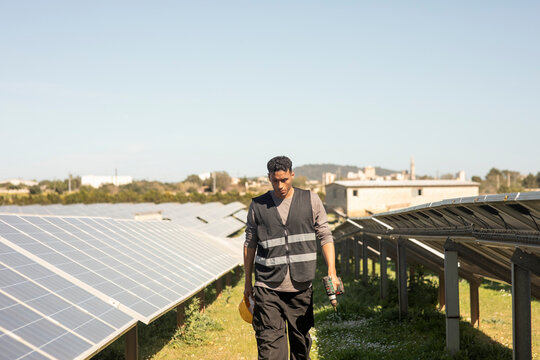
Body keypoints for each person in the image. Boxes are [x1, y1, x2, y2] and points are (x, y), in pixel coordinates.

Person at [243, 155, 340, 360]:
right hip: (267, 287)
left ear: (292, 175)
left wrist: (332, 271)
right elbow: (249, 244)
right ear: (269, 177)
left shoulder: (310, 200)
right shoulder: (258, 206)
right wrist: (247, 283)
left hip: (301, 288)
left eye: (284, 180)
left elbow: (325, 235)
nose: (280, 185)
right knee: (270, 349)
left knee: (300, 348)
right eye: (275, 180)